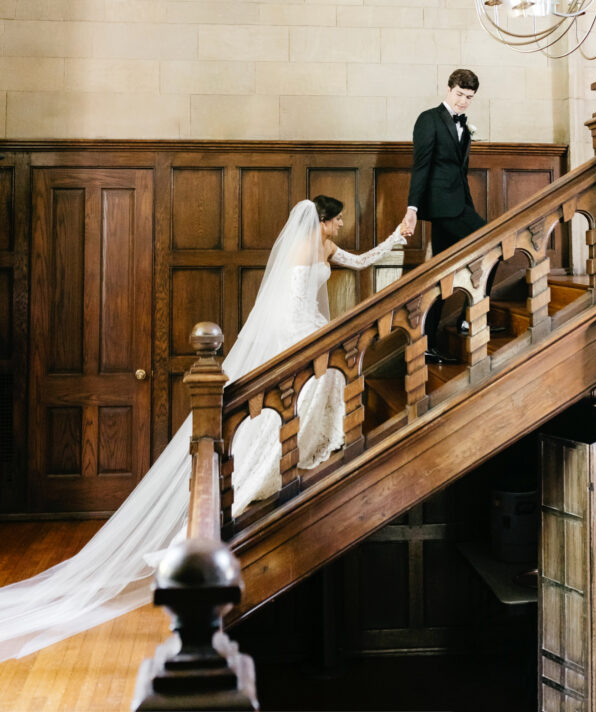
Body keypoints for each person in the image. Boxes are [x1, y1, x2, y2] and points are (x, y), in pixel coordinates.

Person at [0, 197, 406, 661]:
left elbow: (364, 260)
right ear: (327, 221)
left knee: (332, 376)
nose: (340, 227)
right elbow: (288, 302)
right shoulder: (298, 250)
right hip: (296, 329)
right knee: (321, 376)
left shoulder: (330, 252)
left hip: (313, 326)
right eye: (338, 220)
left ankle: (310, 449)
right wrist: (306, 334)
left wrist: (398, 236)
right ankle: (275, 462)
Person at [402, 68, 485, 360]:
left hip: (461, 204)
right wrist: (412, 209)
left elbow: (459, 172)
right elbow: (421, 165)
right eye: (459, 95)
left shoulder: (464, 124)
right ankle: (469, 318)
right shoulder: (428, 119)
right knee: (492, 244)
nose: (463, 102)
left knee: (442, 274)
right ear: (448, 89)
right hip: (443, 207)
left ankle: (426, 346)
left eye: (469, 97)